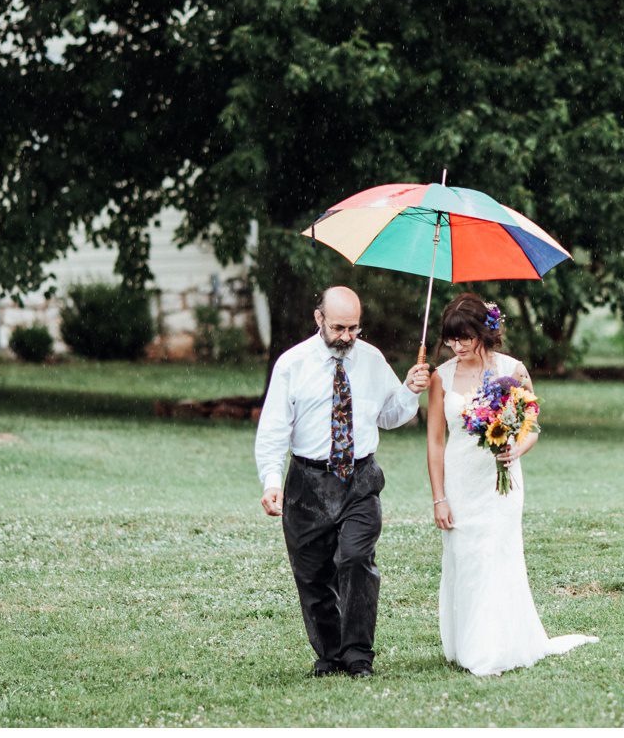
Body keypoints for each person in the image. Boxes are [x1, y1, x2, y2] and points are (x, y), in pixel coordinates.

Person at [255, 286, 430, 678]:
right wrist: (271, 480)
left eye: (354, 328)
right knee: (312, 574)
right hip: (307, 482)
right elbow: (273, 429)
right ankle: (330, 654)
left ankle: (357, 655)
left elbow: (391, 416)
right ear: (319, 319)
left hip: (360, 480)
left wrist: (409, 390)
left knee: (355, 560)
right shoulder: (292, 364)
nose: (348, 336)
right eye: (339, 328)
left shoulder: (371, 360)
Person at [426, 292, 597, 676]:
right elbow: (435, 441)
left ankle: (491, 648)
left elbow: (531, 426)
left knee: (496, 557)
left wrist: (514, 451)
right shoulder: (441, 377)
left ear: (483, 333)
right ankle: (466, 641)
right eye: (451, 340)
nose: (457, 347)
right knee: (466, 560)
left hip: (502, 482)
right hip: (460, 480)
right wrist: (439, 497)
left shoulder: (513, 370)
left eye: (464, 338)